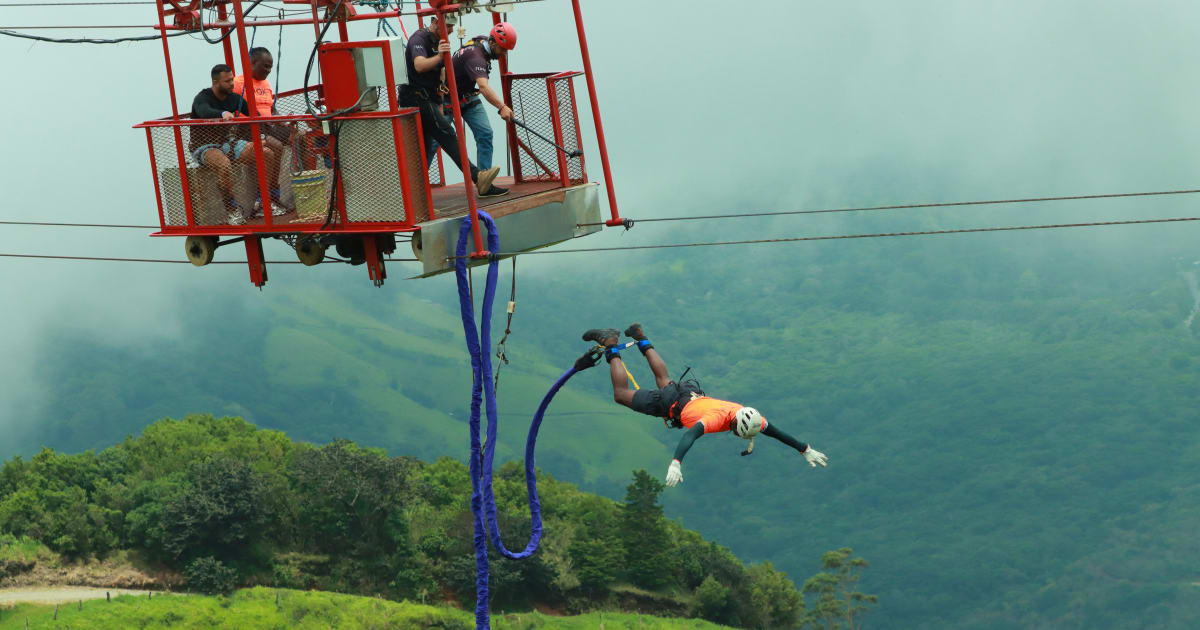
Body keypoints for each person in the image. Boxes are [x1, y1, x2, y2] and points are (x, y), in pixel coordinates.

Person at [577, 324, 829, 488]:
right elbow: (690, 435)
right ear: (735, 426)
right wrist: (676, 462)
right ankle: (610, 344)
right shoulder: (715, 420)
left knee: (665, 381)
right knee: (621, 395)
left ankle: (641, 338)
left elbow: (774, 432)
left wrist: (804, 449)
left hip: (690, 393)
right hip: (673, 405)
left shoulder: (746, 415)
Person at [400, 15, 502, 196]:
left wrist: (439, 100)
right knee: (445, 134)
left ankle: (414, 193)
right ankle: (478, 177)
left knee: (426, 146)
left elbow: (442, 71)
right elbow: (419, 65)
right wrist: (440, 56)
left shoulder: (438, 41)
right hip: (416, 98)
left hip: (429, 99)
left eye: (451, 26)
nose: (451, 30)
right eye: (447, 26)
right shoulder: (419, 39)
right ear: (434, 22)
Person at [190, 64, 279, 225]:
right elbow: (204, 111)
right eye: (227, 81)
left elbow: (253, 113)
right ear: (215, 82)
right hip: (204, 146)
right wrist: (222, 114)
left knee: (267, 153)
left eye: (232, 79)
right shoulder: (202, 97)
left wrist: (264, 131)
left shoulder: (234, 98)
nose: (232, 84)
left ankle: (263, 201)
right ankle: (231, 210)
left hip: (228, 143)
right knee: (223, 164)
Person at [446, 22, 517, 196]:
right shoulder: (476, 57)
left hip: (468, 97)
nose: (504, 54)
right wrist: (502, 107)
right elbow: (483, 87)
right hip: (447, 100)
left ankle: (484, 182)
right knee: (434, 143)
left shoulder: (482, 42)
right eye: (502, 49)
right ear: (492, 43)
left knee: (485, 133)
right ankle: (416, 190)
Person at [232, 47, 288, 214]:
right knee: (275, 147)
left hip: (269, 125)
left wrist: (284, 122)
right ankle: (267, 196)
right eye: (265, 66)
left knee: (300, 137)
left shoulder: (265, 83)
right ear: (252, 63)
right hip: (249, 128)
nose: (268, 71)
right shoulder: (238, 83)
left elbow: (272, 107)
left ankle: (308, 188)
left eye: (271, 67)